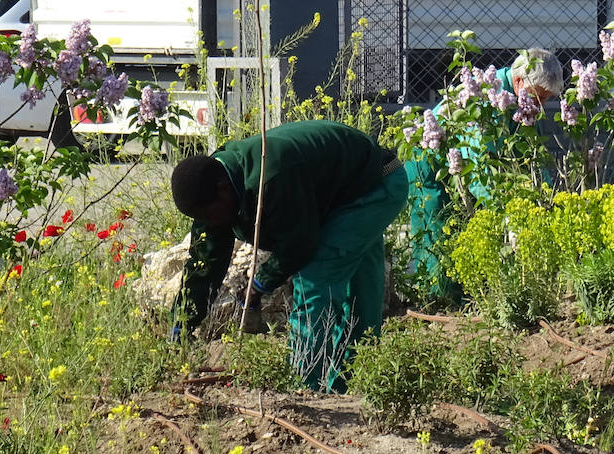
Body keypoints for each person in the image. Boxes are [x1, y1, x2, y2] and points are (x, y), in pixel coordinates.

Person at [169, 119, 407, 393]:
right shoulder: (211, 189)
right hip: (339, 193)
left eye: (211, 215)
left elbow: (301, 244)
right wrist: (181, 323)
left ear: (223, 189)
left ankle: (304, 387)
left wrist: (259, 284)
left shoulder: (270, 179)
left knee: (318, 280)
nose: (211, 223)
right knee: (361, 286)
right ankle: (357, 382)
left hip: (375, 186)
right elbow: (204, 264)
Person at [404, 48, 565, 300]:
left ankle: (463, 294)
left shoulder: (523, 101)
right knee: (436, 230)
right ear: (521, 81)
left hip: (460, 165)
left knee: (462, 231)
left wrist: (546, 197)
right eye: (539, 97)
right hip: (429, 162)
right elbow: (478, 165)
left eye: (546, 99)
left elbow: (530, 155)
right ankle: (432, 298)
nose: (541, 106)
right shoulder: (485, 100)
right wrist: (504, 214)